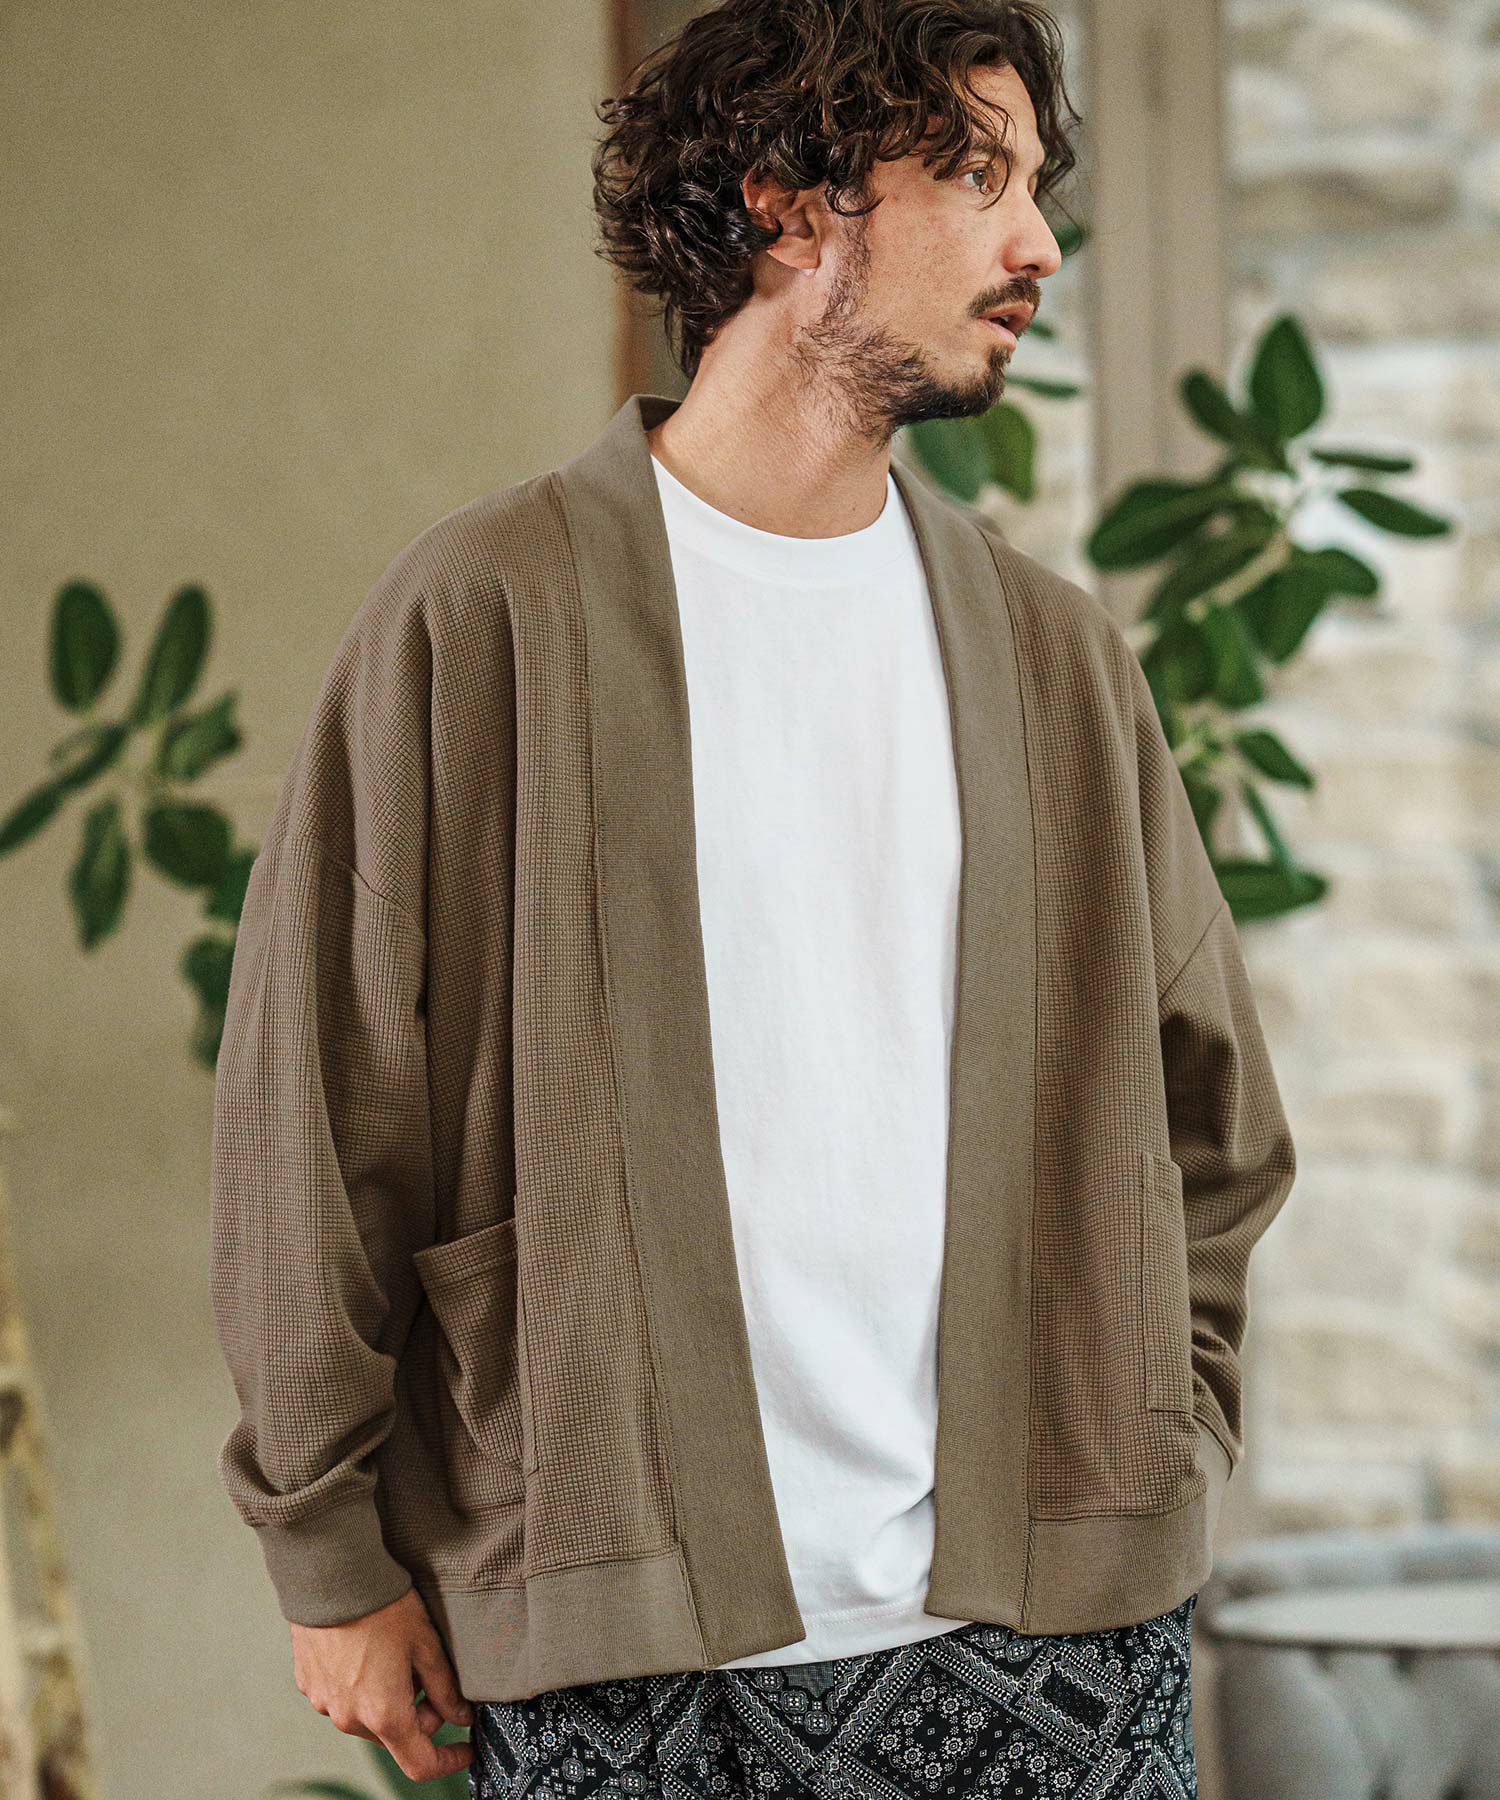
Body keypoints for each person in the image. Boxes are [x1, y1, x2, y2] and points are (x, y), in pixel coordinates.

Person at [209, 1, 1297, 1793]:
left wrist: (1153, 1438)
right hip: (623, 1638)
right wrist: (327, 1553)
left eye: (1038, 187)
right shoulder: (484, 616)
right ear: (789, 204)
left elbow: (1217, 1121)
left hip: (1059, 1650)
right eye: (978, 179)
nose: (1038, 243)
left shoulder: (1051, 656)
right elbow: (318, 1114)